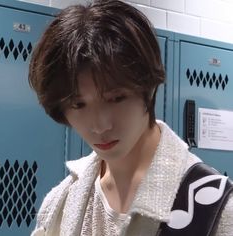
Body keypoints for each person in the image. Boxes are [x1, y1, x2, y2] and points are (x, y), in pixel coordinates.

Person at [29, 0, 233, 235]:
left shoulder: (216, 211)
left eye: (116, 98)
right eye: (78, 104)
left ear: (149, 87)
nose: (99, 125)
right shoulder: (60, 203)